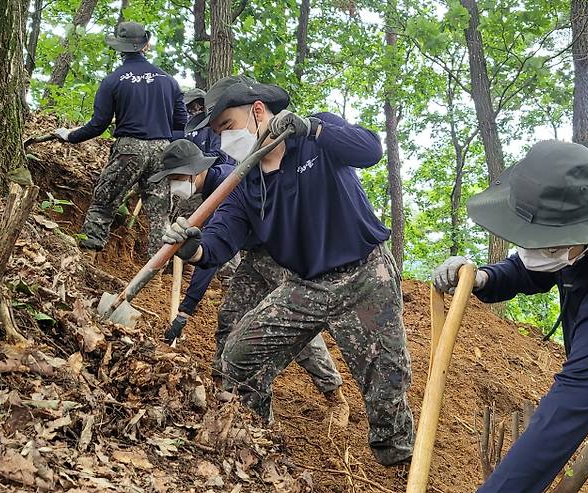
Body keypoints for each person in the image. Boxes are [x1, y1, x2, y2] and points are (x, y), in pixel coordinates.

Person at [162, 75, 414, 466]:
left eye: (226, 127)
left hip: (365, 277)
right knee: (240, 356)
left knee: (386, 387)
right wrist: (192, 248)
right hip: (304, 286)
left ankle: (398, 463)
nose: (224, 140)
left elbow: (370, 149)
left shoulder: (314, 136)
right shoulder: (244, 185)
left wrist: (314, 128)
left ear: (258, 112)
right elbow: (219, 241)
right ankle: (260, 445)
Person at [432, 140, 588, 492]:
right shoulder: (582, 236)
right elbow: (535, 268)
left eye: (547, 246)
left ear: (587, 235)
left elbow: (558, 425)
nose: (533, 253)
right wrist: (486, 278)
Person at [150, 138, 350, 428]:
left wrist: (186, 308)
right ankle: (224, 388)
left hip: (283, 253)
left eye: (175, 178)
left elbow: (213, 258)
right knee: (230, 315)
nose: (173, 185)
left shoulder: (226, 188)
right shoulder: (209, 191)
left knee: (297, 328)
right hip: (257, 255)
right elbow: (211, 250)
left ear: (193, 170)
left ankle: (334, 395)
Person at [53, 21, 187, 257]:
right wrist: (165, 147)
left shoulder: (113, 80)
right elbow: (181, 124)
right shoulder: (169, 81)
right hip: (163, 151)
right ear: (145, 45)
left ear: (119, 48)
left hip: (129, 149)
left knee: (104, 203)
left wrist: (70, 136)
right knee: (159, 215)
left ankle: (87, 258)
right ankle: (152, 274)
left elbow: (98, 125)